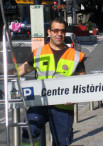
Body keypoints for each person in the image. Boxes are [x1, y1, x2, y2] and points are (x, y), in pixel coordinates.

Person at [11, 18, 86, 146]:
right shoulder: (39, 53)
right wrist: (7, 76)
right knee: (28, 131)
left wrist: (74, 97)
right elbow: (23, 69)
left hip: (63, 106)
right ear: (49, 32)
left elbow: (83, 81)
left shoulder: (75, 55)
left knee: (61, 142)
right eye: (56, 30)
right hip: (40, 102)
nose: (59, 34)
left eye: (62, 31)